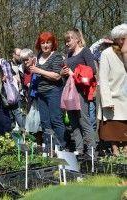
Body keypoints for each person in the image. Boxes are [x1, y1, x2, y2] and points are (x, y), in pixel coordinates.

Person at [61, 28, 97, 157]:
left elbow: (92, 71)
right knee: (73, 121)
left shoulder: (85, 51)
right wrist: (63, 73)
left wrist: (73, 73)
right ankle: (79, 149)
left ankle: (91, 151)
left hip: (81, 92)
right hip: (69, 91)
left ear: (77, 39)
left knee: (84, 121)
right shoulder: (68, 55)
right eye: (65, 41)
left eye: (69, 40)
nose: (67, 43)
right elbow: (65, 76)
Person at [30, 32, 66, 151]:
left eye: (48, 42)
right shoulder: (39, 56)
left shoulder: (56, 56)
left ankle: (61, 147)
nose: (45, 45)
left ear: (52, 43)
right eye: (43, 43)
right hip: (41, 93)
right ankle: (49, 148)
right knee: (45, 122)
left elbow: (57, 76)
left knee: (56, 120)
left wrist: (38, 70)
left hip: (54, 91)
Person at [98, 23, 127, 156]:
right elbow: (103, 78)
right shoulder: (106, 54)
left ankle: (125, 150)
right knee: (113, 127)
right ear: (116, 39)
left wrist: (125, 53)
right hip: (113, 97)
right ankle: (115, 150)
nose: (124, 41)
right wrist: (107, 100)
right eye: (122, 38)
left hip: (125, 97)